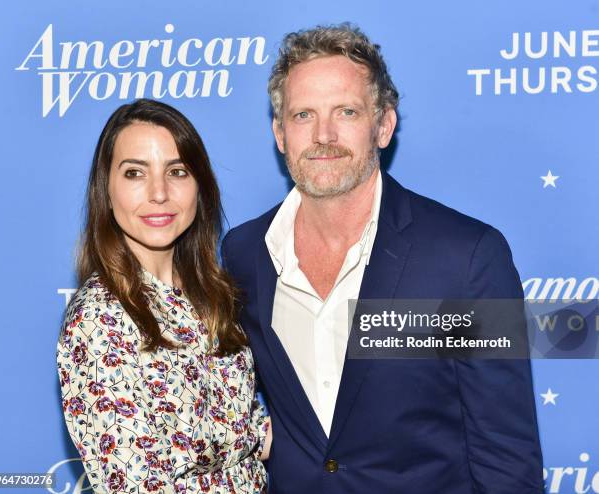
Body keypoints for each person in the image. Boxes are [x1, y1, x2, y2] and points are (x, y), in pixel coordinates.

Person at [221, 24, 544, 493]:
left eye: (346, 112)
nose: (323, 135)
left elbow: (506, 456)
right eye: (303, 115)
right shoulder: (244, 253)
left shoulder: (467, 258)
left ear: (384, 125)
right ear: (280, 134)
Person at [57, 99, 270, 493]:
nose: (159, 193)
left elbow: (246, 427)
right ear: (106, 188)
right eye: (135, 173)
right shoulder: (99, 318)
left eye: (177, 171)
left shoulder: (211, 294)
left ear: (199, 186)